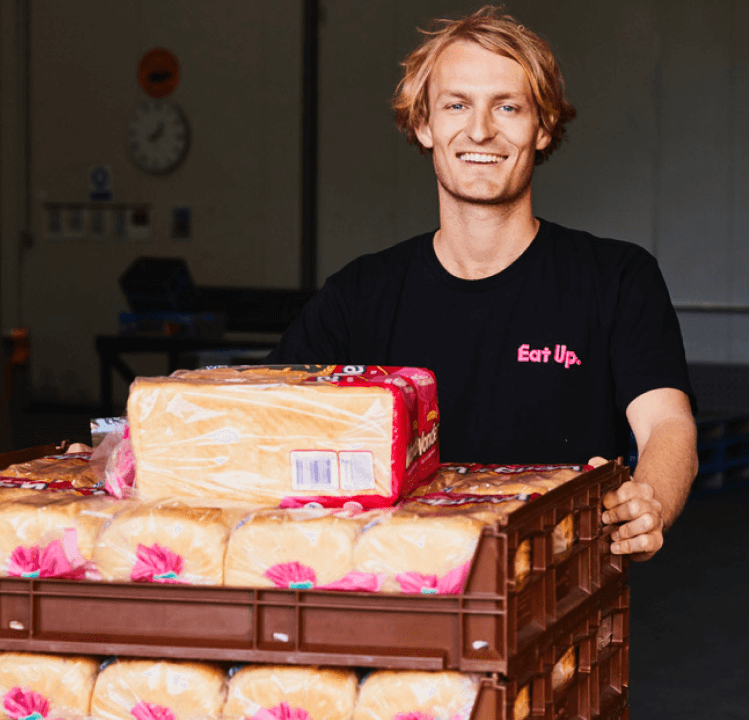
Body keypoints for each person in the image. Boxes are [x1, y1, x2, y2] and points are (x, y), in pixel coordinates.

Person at [266, 6, 697, 561]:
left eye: (508, 107)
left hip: (554, 590)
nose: (480, 130)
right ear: (424, 124)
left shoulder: (614, 278)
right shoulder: (360, 295)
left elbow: (667, 422)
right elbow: (270, 414)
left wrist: (650, 501)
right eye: (456, 105)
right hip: (396, 591)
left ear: (542, 128)